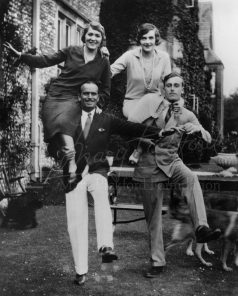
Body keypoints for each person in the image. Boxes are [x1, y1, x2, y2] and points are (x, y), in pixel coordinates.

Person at [66, 80, 176, 285]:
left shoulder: (106, 119)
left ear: (98, 97)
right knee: (76, 223)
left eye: (93, 94)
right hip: (73, 174)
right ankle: (81, 271)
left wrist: (158, 133)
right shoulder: (67, 118)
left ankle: (106, 246)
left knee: (101, 197)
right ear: (79, 96)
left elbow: (131, 128)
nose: (90, 97)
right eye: (86, 94)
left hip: (97, 171)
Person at [133, 72, 221, 278]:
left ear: (182, 90)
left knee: (191, 177)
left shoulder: (187, 114)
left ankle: (201, 228)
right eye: (169, 85)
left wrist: (197, 129)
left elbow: (208, 139)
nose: (172, 88)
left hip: (171, 161)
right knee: (153, 217)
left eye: (176, 86)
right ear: (164, 89)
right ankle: (157, 262)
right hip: (149, 163)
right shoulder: (151, 107)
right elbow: (134, 132)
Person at [4, 21, 110, 191]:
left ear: (102, 39)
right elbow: (47, 60)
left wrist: (99, 105)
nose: (93, 38)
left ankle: (72, 166)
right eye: (90, 34)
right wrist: (23, 56)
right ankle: (71, 164)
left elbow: (106, 88)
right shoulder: (72, 51)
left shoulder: (103, 61)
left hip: (76, 99)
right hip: (57, 95)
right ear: (84, 36)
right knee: (58, 127)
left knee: (69, 128)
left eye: (97, 35)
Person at [110, 23, 171, 163]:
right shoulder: (130, 56)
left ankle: (138, 149)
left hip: (155, 101)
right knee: (134, 120)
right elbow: (111, 70)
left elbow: (168, 81)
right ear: (139, 40)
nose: (148, 42)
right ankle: (143, 146)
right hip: (133, 100)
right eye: (144, 38)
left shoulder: (164, 57)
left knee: (159, 116)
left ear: (156, 39)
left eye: (151, 38)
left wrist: (170, 99)